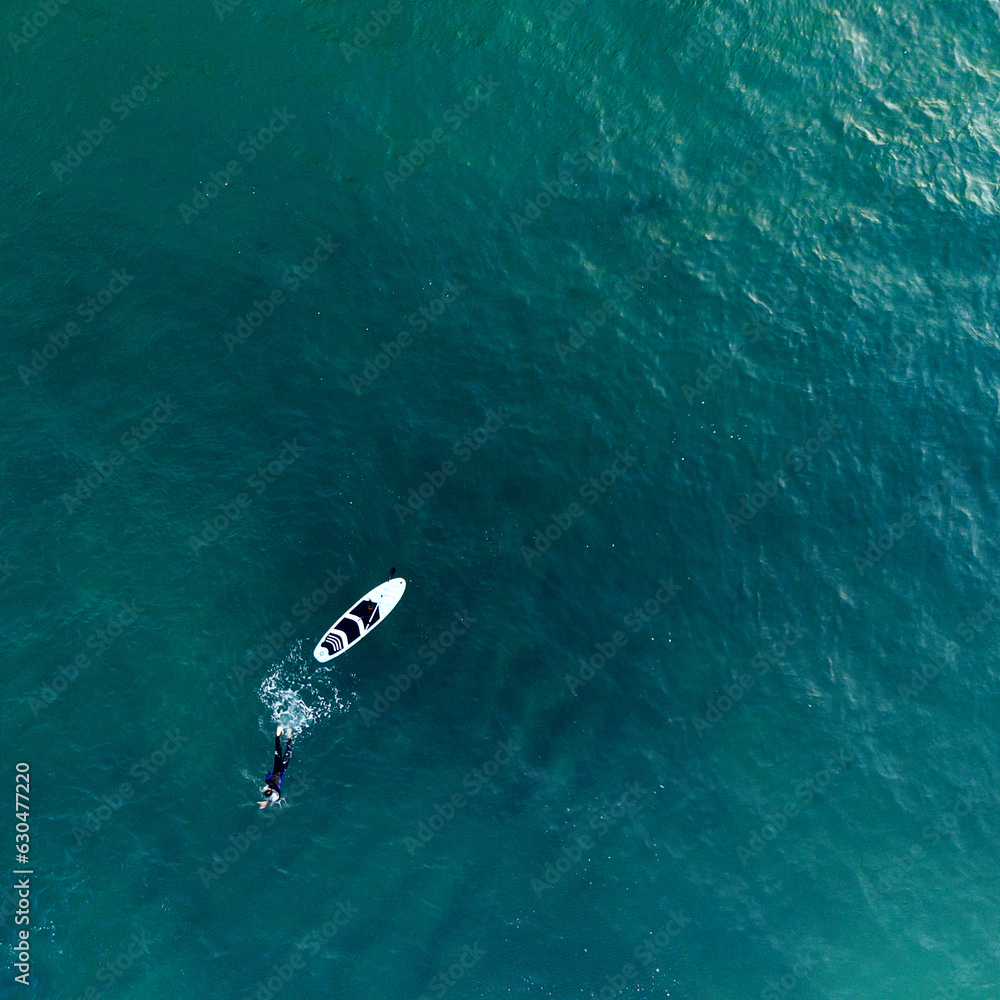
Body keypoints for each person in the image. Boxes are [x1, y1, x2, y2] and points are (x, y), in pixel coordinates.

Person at [260, 726, 293, 809]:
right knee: (287, 751)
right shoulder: (276, 790)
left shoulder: (268, 781)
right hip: (282, 768)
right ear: (271, 791)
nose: (268, 789)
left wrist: (267, 802)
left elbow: (268, 775)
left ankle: (278, 735)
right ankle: (288, 736)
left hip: (277, 766)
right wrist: (267, 802)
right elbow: (277, 798)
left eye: (267, 789)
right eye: (269, 790)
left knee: (279, 750)